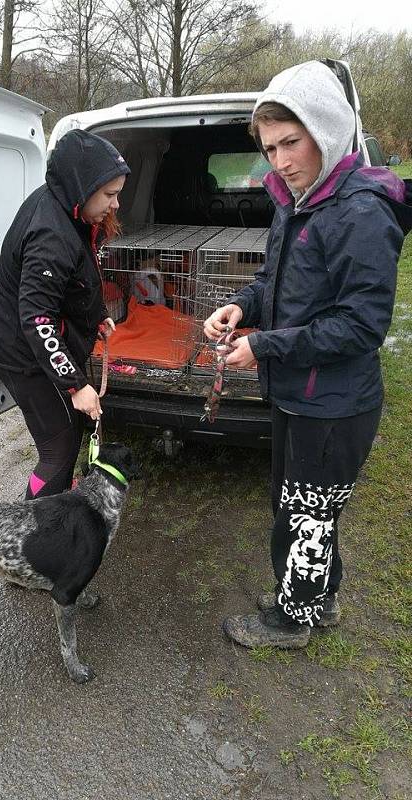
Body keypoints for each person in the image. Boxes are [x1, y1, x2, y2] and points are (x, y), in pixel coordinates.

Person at [204, 61, 412, 648]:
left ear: (324, 131)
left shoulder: (360, 213)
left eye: (291, 143)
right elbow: (275, 282)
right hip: (301, 391)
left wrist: (264, 346)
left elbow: (360, 326)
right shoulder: (296, 203)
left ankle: (292, 620)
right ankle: (319, 602)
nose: (281, 161)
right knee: (303, 509)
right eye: (269, 149)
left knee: (305, 515)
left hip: (334, 402)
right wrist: (243, 309)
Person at [0, 129, 130, 499]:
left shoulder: (69, 209)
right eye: (110, 195)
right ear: (84, 187)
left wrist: (96, 313)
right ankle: (30, 532)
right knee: (59, 447)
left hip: (45, 347)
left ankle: (59, 501)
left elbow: (77, 276)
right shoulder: (50, 234)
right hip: (25, 356)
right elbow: (37, 319)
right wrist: (76, 384)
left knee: (72, 431)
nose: (116, 205)